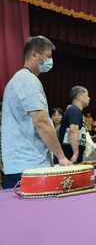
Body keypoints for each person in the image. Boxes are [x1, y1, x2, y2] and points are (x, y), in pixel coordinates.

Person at [1, 36, 71, 188]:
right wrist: (61, 157)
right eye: (48, 56)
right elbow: (41, 122)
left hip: (19, 163)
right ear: (34, 55)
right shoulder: (29, 80)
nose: (50, 61)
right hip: (30, 165)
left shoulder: (16, 80)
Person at [57, 86, 91, 164]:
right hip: (70, 156)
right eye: (87, 95)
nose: (89, 98)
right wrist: (75, 153)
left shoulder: (75, 110)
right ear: (79, 96)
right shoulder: (74, 110)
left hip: (71, 155)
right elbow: (73, 129)